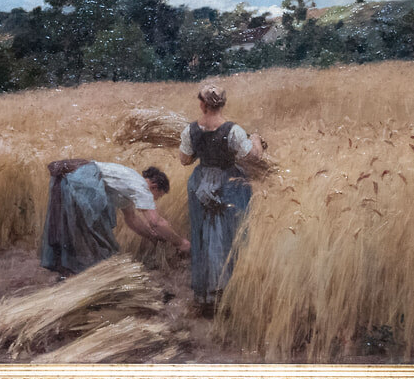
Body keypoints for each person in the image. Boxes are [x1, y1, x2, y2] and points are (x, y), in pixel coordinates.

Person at [179, 84, 263, 313]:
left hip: (201, 184)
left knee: (204, 236)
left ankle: (206, 295)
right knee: (229, 237)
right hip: (229, 185)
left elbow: (185, 160)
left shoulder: (190, 131)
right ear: (222, 103)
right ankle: (227, 292)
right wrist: (255, 139)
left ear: (202, 104)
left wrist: (200, 149)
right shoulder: (233, 130)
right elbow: (252, 157)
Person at [40, 159, 190, 277]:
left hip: (73, 179)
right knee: (94, 240)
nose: (156, 199)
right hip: (83, 183)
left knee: (75, 233)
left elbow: (131, 219)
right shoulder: (142, 188)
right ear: (154, 186)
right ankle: (83, 280)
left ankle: (70, 276)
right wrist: (180, 242)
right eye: (159, 196)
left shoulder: (130, 184)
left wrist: (151, 237)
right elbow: (155, 222)